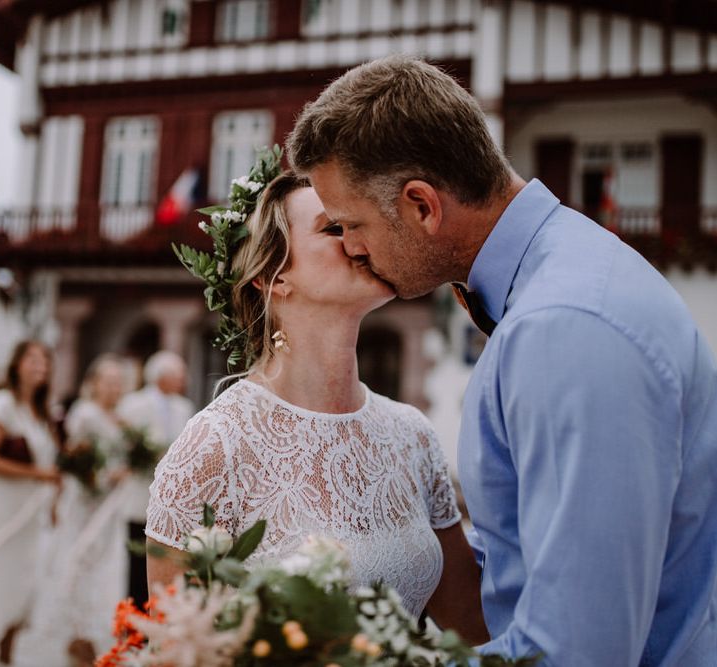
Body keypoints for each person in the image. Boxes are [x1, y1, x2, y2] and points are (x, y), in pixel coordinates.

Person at [285, 54, 717, 665]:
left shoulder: (565, 329)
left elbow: (576, 651)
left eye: (350, 224)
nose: (351, 248)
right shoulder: (561, 283)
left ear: (421, 206)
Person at [145, 169, 488, 644]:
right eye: (334, 227)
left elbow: (472, 625)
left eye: (358, 221)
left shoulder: (411, 434)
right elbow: (177, 648)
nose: (359, 238)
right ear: (273, 277)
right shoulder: (213, 450)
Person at [13, 354, 130, 667]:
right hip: (86, 506)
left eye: (119, 383)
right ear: (95, 383)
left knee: (105, 568)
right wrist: (108, 476)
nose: (115, 388)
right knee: (80, 563)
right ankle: (78, 633)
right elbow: (77, 466)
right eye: (109, 382)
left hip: (109, 509)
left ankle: (94, 632)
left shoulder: (118, 418)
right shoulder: (85, 415)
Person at [0, 340, 61, 667]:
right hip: (3, 508)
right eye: (33, 359)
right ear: (17, 364)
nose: (40, 366)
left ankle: (7, 654)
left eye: (45, 361)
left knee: (23, 583)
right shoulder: (2, 405)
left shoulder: (42, 413)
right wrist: (38, 473)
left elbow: (52, 465)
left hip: (33, 514)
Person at [117, 350, 194, 606]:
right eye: (179, 374)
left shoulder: (185, 407)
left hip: (171, 498)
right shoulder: (133, 404)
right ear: (162, 376)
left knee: (162, 556)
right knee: (135, 560)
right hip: (139, 493)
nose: (183, 380)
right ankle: (133, 615)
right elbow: (122, 447)